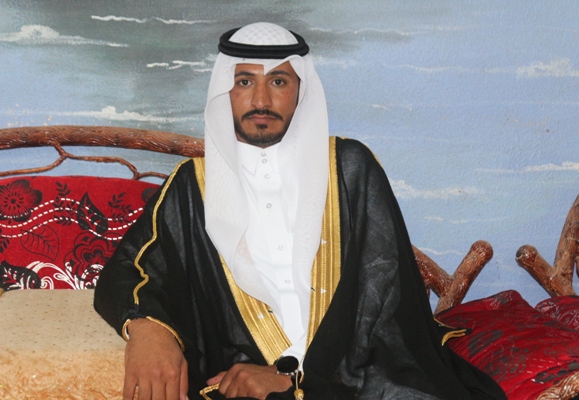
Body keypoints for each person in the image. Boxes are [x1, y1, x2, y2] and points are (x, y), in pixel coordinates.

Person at [94, 22, 506, 400]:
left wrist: (298, 382)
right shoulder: (192, 186)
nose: (261, 100)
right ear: (225, 91)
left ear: (300, 90)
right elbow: (127, 269)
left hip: (352, 384)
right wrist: (147, 328)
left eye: (278, 81)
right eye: (244, 81)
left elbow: (385, 310)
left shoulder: (350, 169)